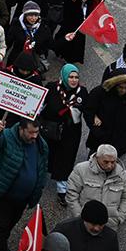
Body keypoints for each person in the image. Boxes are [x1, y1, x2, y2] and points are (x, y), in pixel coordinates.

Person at [0, 117, 49, 251]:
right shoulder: (7, 136)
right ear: (21, 129)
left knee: (8, 225)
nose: (35, 136)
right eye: (31, 132)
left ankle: (0, 247)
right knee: (1, 225)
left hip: (23, 198)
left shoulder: (41, 144)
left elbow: (42, 166)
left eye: (37, 132)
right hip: (3, 193)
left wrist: (39, 187)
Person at [41, 64, 87, 201]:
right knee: (46, 154)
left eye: (76, 77)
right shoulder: (51, 87)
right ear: (64, 76)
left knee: (66, 158)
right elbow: (40, 105)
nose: (73, 80)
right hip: (51, 130)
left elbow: (89, 109)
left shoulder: (82, 92)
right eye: (70, 77)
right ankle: (39, 180)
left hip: (70, 133)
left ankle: (62, 188)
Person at [63, 145, 126, 229]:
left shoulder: (122, 175)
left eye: (113, 162)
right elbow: (71, 194)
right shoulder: (81, 170)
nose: (110, 166)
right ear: (97, 158)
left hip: (109, 226)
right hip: (84, 224)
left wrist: (119, 218)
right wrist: (80, 217)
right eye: (106, 162)